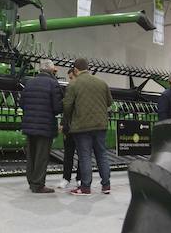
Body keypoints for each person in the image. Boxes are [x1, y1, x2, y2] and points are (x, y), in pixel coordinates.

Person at [63, 58, 113, 196]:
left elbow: (67, 106)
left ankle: (85, 187)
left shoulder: (73, 84)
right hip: (100, 125)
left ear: (75, 69)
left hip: (81, 126)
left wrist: (68, 119)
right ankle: (106, 185)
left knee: (85, 156)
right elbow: (109, 102)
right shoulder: (102, 83)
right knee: (102, 154)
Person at [19, 59, 63, 193]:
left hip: (29, 124)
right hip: (45, 125)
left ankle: (31, 181)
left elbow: (22, 103)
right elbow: (57, 108)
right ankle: (38, 184)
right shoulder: (53, 84)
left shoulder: (29, 82)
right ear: (51, 70)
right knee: (41, 155)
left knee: (31, 154)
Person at [57, 67, 82, 189]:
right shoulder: (68, 90)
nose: (70, 80)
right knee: (68, 155)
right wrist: (62, 123)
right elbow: (66, 109)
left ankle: (80, 178)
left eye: (71, 78)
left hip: (81, 127)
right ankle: (66, 178)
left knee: (82, 155)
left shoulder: (83, 90)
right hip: (69, 127)